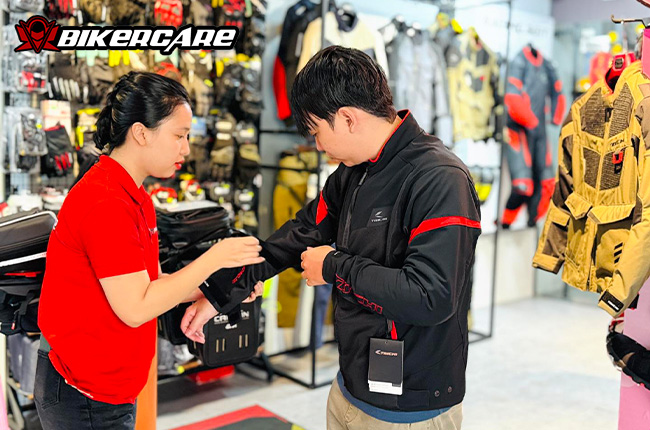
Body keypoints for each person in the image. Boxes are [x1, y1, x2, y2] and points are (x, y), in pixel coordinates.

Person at [182, 46, 481, 429]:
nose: (318, 146)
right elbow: (296, 237)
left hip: (410, 410)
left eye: (317, 132)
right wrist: (219, 293)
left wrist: (333, 266)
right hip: (349, 386)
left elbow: (430, 297)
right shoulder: (355, 171)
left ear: (347, 118)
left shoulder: (440, 179)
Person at [35, 72, 264, 430]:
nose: (186, 148)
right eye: (179, 135)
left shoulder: (133, 194)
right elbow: (136, 308)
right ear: (141, 133)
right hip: (84, 394)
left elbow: (151, 284)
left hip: (109, 388)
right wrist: (215, 258)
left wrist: (223, 288)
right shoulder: (105, 202)